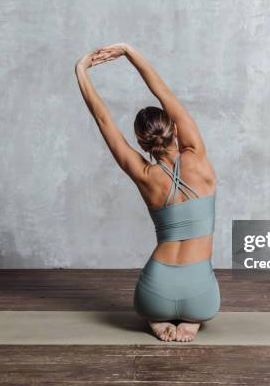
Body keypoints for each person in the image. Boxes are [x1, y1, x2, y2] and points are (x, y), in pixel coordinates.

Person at [74, 43, 220, 342]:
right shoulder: (197, 158)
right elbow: (163, 93)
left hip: (156, 289)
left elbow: (104, 122)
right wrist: (128, 51)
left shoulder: (143, 174)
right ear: (174, 129)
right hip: (201, 292)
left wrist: (81, 71)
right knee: (200, 307)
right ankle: (192, 322)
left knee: (153, 307)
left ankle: (157, 320)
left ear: (142, 144)